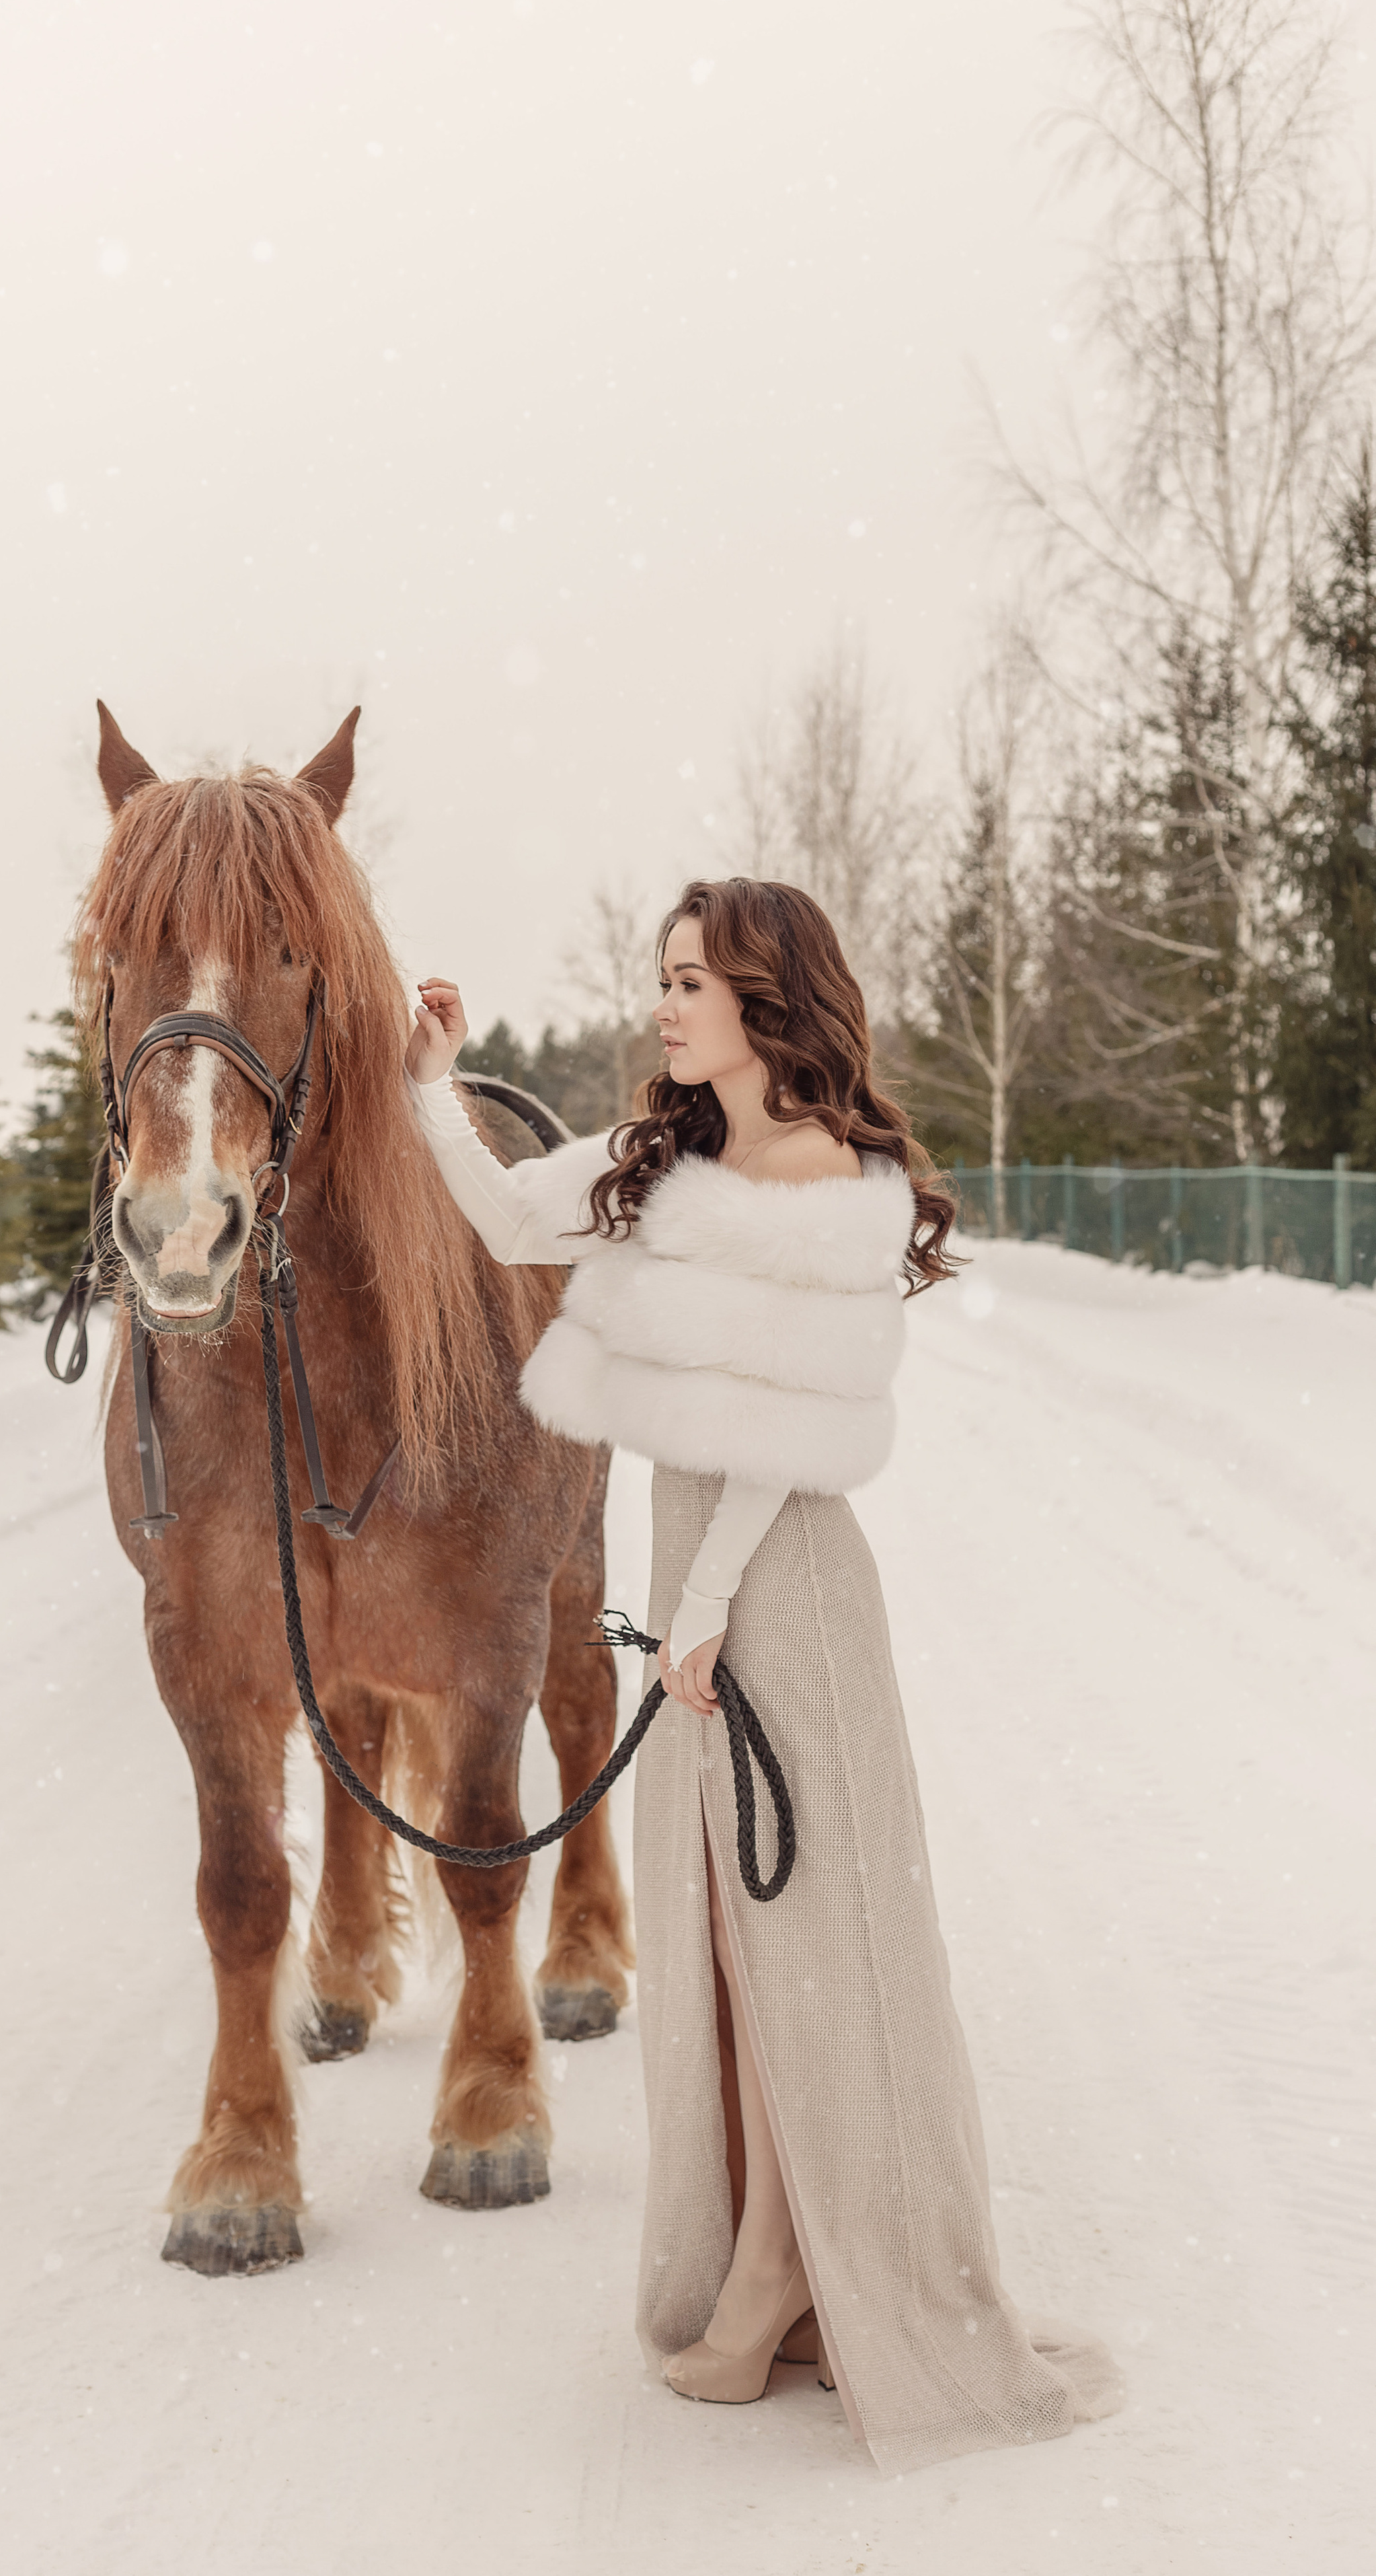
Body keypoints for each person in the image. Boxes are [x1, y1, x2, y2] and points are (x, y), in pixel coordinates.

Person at [403, 875, 1121, 2476]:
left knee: (799, 1937)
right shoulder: (675, 1155)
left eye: (691, 983)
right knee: (724, 1932)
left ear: (763, 999)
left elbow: (786, 1443)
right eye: (660, 978)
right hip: (698, 1582)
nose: (664, 1006)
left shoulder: (828, 1180)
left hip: (773, 1584)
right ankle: (763, 2263)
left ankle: (793, 2274)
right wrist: (430, 1092)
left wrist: (708, 1611)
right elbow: (518, 1217)